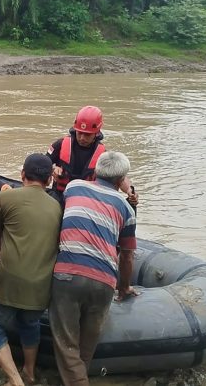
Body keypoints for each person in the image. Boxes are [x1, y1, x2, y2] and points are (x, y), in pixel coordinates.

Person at [48, 151, 139, 386]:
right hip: (104, 280)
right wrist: (125, 287)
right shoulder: (127, 209)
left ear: (96, 171)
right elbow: (127, 256)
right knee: (87, 345)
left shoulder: (74, 187)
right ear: (120, 180)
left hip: (68, 274)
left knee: (67, 342)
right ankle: (78, 379)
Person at [0, 153, 62, 386]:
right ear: (49, 180)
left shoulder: (5, 198)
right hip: (42, 284)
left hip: (10, 279)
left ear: (23, 174)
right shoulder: (57, 207)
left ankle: (15, 379)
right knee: (30, 324)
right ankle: (29, 372)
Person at [47, 106, 138, 209]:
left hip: (86, 200)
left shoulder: (102, 154)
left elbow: (118, 175)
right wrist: (53, 168)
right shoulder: (60, 144)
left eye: (87, 135)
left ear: (96, 133)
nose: (82, 138)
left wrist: (130, 190)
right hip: (60, 196)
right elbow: (42, 163)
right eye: (79, 133)